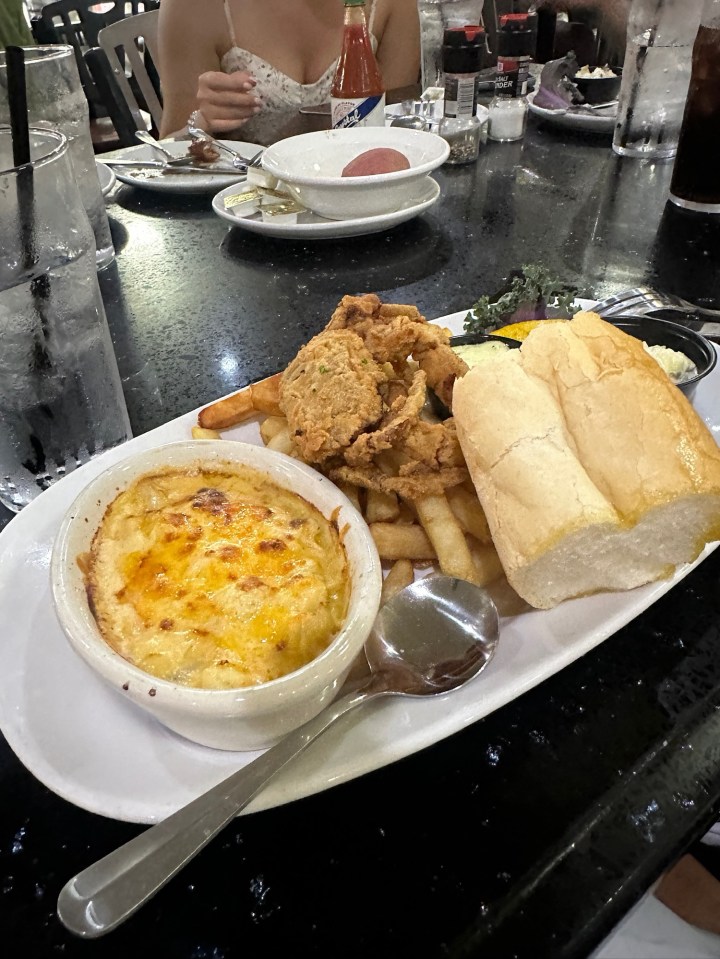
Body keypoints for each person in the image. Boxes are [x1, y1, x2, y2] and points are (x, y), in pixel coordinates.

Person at [157, 0, 421, 143]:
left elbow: (401, 131)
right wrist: (203, 123)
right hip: (244, 208)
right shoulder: (192, 6)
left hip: (366, 201)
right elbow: (168, 147)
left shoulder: (394, 4)